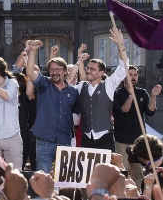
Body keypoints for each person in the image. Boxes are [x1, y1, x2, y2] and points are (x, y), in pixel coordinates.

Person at [26, 40, 80, 173]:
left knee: (63, 179)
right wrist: (33, 51)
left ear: (65, 71)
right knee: (42, 179)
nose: (55, 72)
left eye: (58, 69)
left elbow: (77, 114)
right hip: (44, 140)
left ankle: (59, 196)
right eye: (52, 70)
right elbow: (30, 73)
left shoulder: (72, 92)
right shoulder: (44, 84)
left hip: (64, 140)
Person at [73, 27, 129, 151]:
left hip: (105, 137)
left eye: (92, 69)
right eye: (87, 68)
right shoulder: (81, 86)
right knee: (88, 170)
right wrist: (79, 60)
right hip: (87, 136)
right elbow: (66, 87)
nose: (88, 70)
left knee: (106, 170)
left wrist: (121, 46)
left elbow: (123, 68)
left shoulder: (108, 85)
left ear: (101, 73)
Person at [113, 65, 161, 172]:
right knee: (123, 171)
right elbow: (122, 111)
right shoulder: (117, 93)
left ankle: (138, 189)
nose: (133, 77)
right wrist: (130, 95)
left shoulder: (142, 93)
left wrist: (153, 96)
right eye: (130, 75)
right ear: (123, 77)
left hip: (138, 141)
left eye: (135, 74)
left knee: (139, 172)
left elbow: (150, 112)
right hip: (122, 140)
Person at [16, 72, 36, 169]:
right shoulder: (5, 96)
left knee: (20, 165)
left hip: (23, 135)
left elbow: (29, 88)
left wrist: (29, 70)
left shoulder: (25, 97)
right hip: (7, 133)